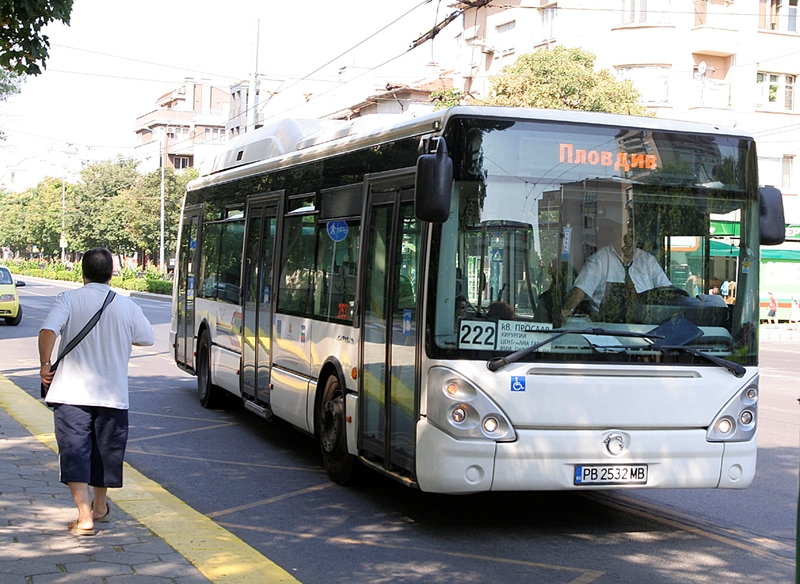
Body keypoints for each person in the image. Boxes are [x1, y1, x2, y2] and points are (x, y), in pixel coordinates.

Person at [39, 248, 154, 536]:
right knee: (106, 452)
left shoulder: (69, 299)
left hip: (70, 395)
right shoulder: (127, 306)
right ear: (112, 273)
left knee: (75, 451)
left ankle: (85, 516)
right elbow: (147, 339)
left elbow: (48, 331)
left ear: (83, 272)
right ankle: (100, 506)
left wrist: (44, 364)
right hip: (112, 395)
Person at [562, 243, 671, 321]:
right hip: (606, 325)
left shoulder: (648, 261)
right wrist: (569, 309)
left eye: (631, 237)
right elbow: (580, 289)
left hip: (643, 325)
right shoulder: (600, 259)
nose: (628, 242)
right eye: (624, 238)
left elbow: (666, 291)